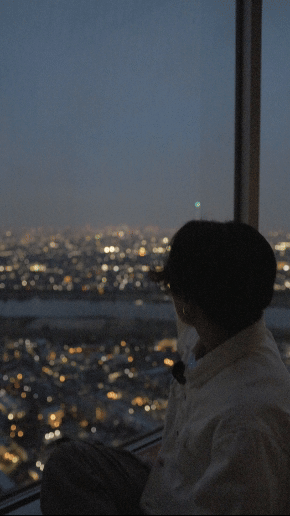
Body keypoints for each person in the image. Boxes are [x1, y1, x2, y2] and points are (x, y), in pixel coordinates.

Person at [41, 220, 290, 515]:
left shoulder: (245, 422)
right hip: (170, 485)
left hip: (174, 504)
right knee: (67, 462)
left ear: (188, 305)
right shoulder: (225, 335)